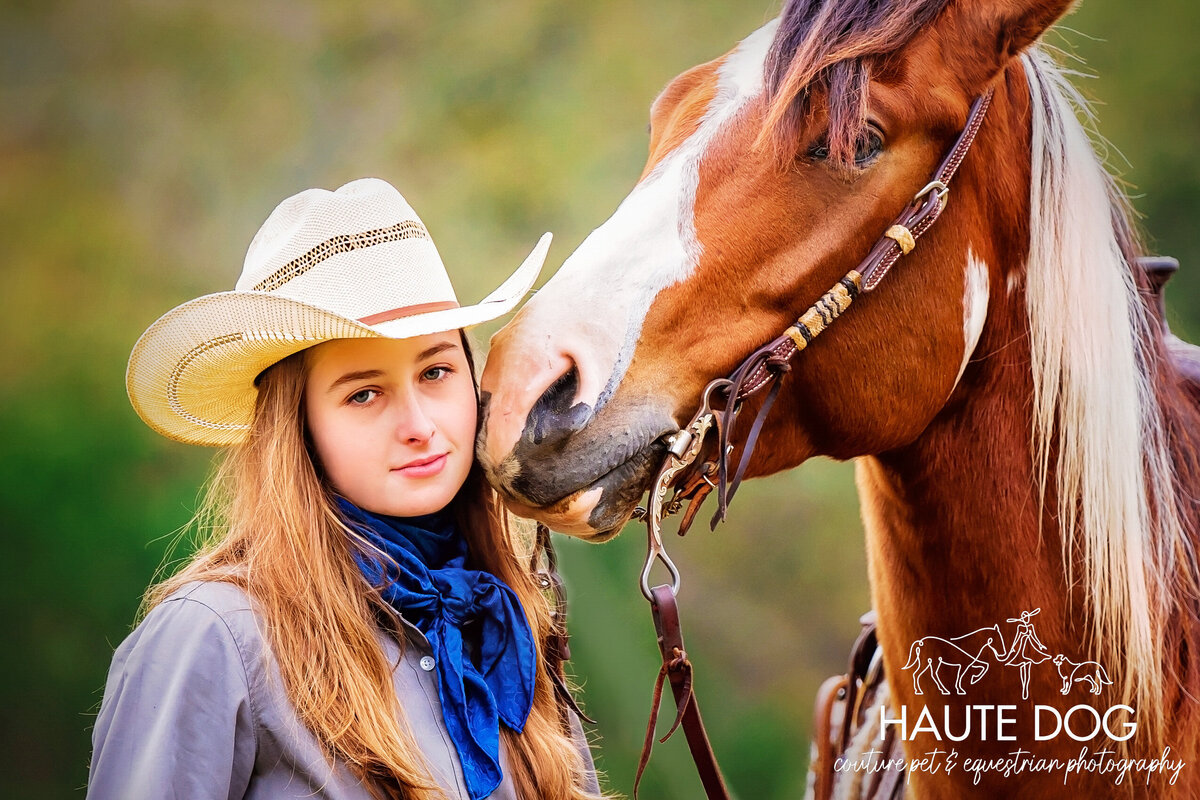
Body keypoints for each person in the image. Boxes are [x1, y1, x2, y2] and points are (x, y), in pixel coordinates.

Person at [88, 177, 603, 800]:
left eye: (436, 371)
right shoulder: (212, 637)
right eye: (364, 393)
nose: (419, 425)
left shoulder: (506, 623)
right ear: (298, 427)